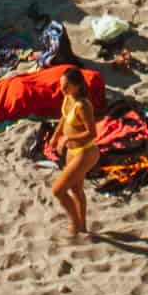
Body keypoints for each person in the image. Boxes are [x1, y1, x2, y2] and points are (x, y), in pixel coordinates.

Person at [49, 66, 100, 237]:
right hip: (72, 151)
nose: (62, 90)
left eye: (66, 86)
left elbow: (92, 133)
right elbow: (64, 117)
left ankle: (76, 223)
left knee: (58, 190)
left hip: (86, 151)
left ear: (77, 86)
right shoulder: (69, 98)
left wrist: (67, 139)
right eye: (62, 85)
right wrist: (56, 135)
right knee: (76, 190)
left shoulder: (83, 105)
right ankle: (83, 227)